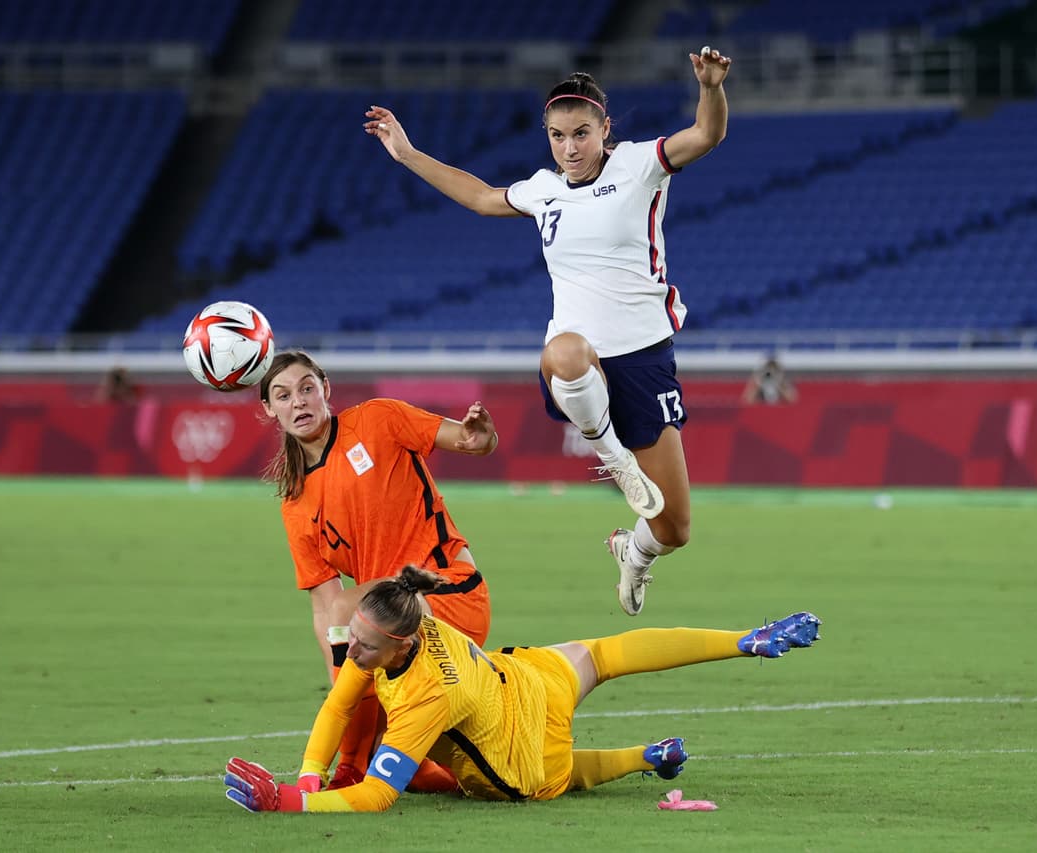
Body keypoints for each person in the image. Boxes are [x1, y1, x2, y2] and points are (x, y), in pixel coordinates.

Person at [363, 46, 734, 616]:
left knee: (675, 526)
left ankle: (630, 552)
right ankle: (612, 458)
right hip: (576, 362)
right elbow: (484, 197)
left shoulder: (641, 164)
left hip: (643, 358)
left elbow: (705, 135)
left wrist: (710, 87)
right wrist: (408, 154)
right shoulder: (543, 188)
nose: (569, 147)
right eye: (557, 136)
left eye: (581, 133)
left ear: (605, 129)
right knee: (566, 351)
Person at [223, 565, 820, 812]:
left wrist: (291, 800)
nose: (350, 652)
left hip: (519, 762)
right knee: (606, 653)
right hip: (526, 680)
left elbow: (379, 796)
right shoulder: (397, 619)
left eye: (363, 647)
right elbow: (339, 700)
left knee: (560, 768)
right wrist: (306, 770)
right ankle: (743, 643)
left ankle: (643, 755)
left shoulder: (427, 694)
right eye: (352, 638)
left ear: (402, 646)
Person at [258, 350, 499, 792]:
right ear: (269, 409)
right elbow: (322, 608)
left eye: (307, 388)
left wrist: (480, 436)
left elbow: (470, 440)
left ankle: (346, 767)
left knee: (351, 612)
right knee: (404, 763)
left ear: (325, 389)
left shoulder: (377, 420)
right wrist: (343, 678)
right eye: (284, 395)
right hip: (391, 623)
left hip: (449, 592)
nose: (299, 402)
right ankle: (469, 773)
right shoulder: (296, 503)